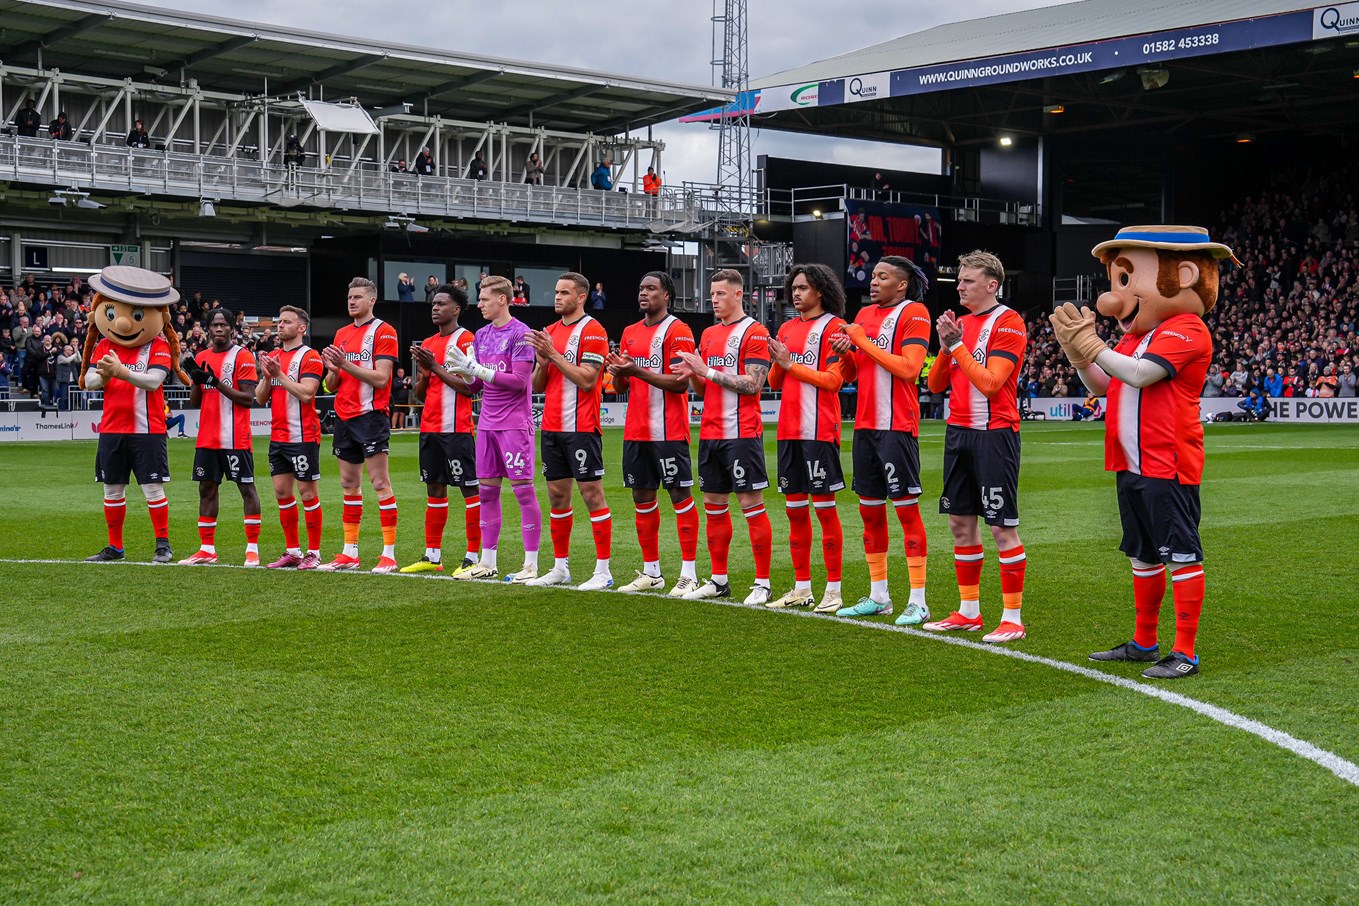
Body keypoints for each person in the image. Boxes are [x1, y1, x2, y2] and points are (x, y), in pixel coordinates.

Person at [1050, 225, 1234, 679]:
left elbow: (1138, 376)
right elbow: (1105, 384)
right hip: (1130, 461)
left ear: (1186, 276)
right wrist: (1077, 354)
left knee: (1182, 554)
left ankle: (1185, 652)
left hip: (1167, 461)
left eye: (1126, 281)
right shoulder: (1136, 336)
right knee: (1143, 555)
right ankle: (1144, 643)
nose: (1114, 299)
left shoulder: (1188, 328)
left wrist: (1093, 344)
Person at [924, 250, 1030, 643]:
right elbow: (935, 386)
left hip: (995, 434)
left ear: (991, 284)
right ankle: (969, 611)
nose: (960, 286)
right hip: (959, 433)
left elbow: (990, 383)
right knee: (959, 523)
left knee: (1002, 528)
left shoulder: (1009, 322)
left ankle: (1013, 618)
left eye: (968, 280)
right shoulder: (960, 324)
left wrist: (957, 346)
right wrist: (946, 344)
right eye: (959, 279)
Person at [829, 256, 933, 619]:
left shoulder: (915, 312)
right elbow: (855, 374)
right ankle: (879, 596)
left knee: (906, 513)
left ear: (901, 284)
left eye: (882, 276)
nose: (873, 282)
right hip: (865, 427)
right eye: (873, 276)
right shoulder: (864, 316)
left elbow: (909, 368)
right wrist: (845, 355)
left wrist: (860, 340)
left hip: (896, 427)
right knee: (870, 514)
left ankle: (918, 601)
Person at [673, 269, 774, 605]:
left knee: (750, 505)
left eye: (720, 293)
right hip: (711, 432)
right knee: (713, 506)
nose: (714, 299)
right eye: (712, 293)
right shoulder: (709, 333)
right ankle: (718, 580)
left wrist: (707, 371)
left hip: (742, 433)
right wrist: (693, 375)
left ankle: (762, 583)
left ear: (738, 295)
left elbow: (754, 384)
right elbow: (705, 386)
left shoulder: (755, 332)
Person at [80, 266, 190, 564]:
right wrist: (102, 377)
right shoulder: (104, 344)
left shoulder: (159, 345)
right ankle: (115, 547)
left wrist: (121, 371)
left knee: (152, 489)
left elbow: (154, 381)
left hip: (148, 429)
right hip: (112, 429)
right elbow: (90, 382)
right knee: (112, 488)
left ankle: (163, 545)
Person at [605, 272, 701, 595]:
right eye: (641, 288)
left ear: (667, 295)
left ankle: (689, 573)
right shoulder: (630, 332)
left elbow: (680, 383)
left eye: (651, 288)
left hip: (669, 430)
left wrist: (635, 370)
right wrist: (618, 371)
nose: (643, 293)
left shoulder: (679, 330)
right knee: (641, 498)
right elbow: (621, 387)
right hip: (636, 431)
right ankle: (652, 572)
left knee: (679, 497)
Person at [765, 263, 849, 613]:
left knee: (826, 512)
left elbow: (833, 381)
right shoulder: (785, 328)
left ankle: (833, 590)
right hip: (789, 431)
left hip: (819, 430)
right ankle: (802, 588)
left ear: (820, 291)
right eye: (793, 288)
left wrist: (789, 363)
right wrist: (779, 362)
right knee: (795, 513)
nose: (796, 294)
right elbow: (774, 383)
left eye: (803, 288)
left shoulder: (835, 327)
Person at [447, 276, 542, 583]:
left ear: (502, 299)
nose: (479, 303)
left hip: (514, 425)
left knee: (524, 493)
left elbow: (519, 383)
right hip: (486, 424)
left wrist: (479, 370)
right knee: (487, 494)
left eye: (485, 298)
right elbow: (476, 384)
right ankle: (487, 562)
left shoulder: (521, 334)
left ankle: (531, 565)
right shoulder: (482, 335)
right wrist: (464, 371)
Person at [523, 272, 614, 590]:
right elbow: (536, 386)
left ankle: (603, 571)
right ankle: (560, 567)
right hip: (551, 426)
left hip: (581, 427)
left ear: (580, 297)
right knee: (557, 497)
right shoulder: (549, 331)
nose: (557, 297)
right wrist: (543, 362)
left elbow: (588, 380)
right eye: (556, 292)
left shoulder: (593, 331)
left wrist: (553, 355)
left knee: (592, 495)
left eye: (564, 293)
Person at [320, 277, 401, 573]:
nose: (351, 301)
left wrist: (344, 364)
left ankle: (388, 554)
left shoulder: (385, 331)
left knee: (380, 483)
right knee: (349, 485)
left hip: (371, 415)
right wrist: (332, 370)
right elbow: (331, 385)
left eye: (357, 297)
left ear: (371, 301)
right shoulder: (341, 333)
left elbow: (382, 379)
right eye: (349, 296)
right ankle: (349, 552)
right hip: (344, 416)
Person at [401, 284, 482, 575]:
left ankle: (473, 557)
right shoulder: (428, 341)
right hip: (430, 427)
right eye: (433, 303)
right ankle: (432, 556)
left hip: (457, 429)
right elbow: (420, 394)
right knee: (434, 489)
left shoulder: (467, 339)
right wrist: (423, 374)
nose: (435, 308)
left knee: (469, 489)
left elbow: (470, 387)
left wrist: (434, 367)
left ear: (456, 309)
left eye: (441, 303)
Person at [179, 308, 263, 566]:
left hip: (235, 437)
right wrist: (196, 380)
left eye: (223, 325)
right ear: (208, 329)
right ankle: (206, 549)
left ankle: (252, 548)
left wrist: (214, 381)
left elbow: (249, 399)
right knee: (206, 489)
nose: (218, 329)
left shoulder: (243, 356)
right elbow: (196, 402)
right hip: (207, 437)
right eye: (214, 325)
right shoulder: (202, 356)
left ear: (231, 329)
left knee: (246, 489)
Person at [254, 305, 326, 570]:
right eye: (279, 321)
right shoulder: (273, 356)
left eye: (286, 322)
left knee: (308, 494)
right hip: (279, 438)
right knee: (282, 493)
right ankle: (293, 551)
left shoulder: (310, 356)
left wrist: (279, 374)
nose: (280, 325)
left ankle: (314, 553)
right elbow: (261, 398)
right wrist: (266, 376)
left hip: (303, 436)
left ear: (301, 328)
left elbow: (307, 394)